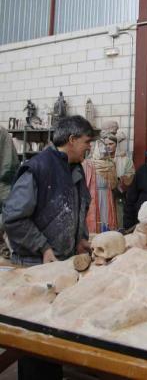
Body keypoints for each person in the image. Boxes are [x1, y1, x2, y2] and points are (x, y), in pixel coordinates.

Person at [3, 115, 95, 380]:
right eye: (87, 141)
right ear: (72, 139)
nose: (89, 147)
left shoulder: (74, 168)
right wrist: (43, 247)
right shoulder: (38, 168)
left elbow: (75, 210)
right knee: (34, 342)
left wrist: (79, 239)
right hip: (36, 266)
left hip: (61, 266)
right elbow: (13, 218)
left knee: (53, 338)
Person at [83, 132, 135, 232]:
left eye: (111, 144)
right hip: (99, 195)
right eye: (105, 145)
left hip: (118, 196)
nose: (108, 147)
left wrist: (120, 180)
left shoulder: (125, 160)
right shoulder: (92, 162)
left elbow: (131, 177)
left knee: (116, 220)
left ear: (116, 145)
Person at [0, 127, 19, 257]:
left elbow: (10, 166)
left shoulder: (2, 133)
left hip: (4, 182)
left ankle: (9, 249)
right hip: (6, 181)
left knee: (9, 218)